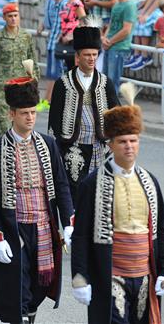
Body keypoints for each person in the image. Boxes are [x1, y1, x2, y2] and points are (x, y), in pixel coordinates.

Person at [71, 84, 164, 324]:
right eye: (122, 142)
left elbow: (163, 231)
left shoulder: (150, 181)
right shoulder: (92, 183)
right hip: (110, 277)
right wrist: (80, 276)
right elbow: (81, 235)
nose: (129, 147)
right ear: (111, 145)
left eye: (133, 140)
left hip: (145, 278)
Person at [0, 76, 74, 324]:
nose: (30, 118)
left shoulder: (48, 144)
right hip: (16, 230)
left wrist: (68, 222)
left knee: (38, 289)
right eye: (24, 113)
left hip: (44, 228)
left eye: (33, 113)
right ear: (12, 114)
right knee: (19, 290)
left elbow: (62, 184)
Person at [48, 21, 120, 203]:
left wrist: (115, 141)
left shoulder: (105, 83)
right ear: (77, 57)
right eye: (87, 55)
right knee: (73, 194)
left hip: (100, 147)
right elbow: (54, 120)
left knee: (100, 194)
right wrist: (55, 150)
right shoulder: (63, 83)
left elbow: (116, 114)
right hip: (73, 148)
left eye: (94, 55)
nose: (91, 59)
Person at [0, 4, 37, 136]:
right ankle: (4, 154)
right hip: (2, 88)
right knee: (4, 125)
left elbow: (32, 59)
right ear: (4, 18)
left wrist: (35, 81)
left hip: (22, 87)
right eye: (10, 16)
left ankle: (18, 154)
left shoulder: (26, 36)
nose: (13, 19)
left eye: (15, 16)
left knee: (21, 125)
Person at [125, 0, 162, 71]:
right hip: (153, 7)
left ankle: (145, 56)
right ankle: (136, 54)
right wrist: (143, 5)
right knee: (135, 18)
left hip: (159, 9)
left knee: (143, 22)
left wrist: (145, 13)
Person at [102, 0, 137, 93]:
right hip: (110, 45)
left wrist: (110, 41)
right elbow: (111, 24)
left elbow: (126, 30)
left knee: (112, 81)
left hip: (119, 47)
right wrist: (105, 39)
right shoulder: (116, 4)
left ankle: (112, 108)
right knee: (105, 80)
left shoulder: (130, 6)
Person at [39, 0, 67, 112]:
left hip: (57, 44)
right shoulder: (55, 4)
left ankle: (50, 100)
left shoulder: (64, 5)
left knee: (56, 73)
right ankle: (47, 99)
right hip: (52, 43)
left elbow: (65, 24)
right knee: (51, 73)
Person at [56, 0, 87, 69]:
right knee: (69, 67)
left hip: (73, 39)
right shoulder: (68, 3)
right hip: (66, 38)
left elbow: (84, 21)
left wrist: (72, 35)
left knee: (74, 67)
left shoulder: (76, 3)